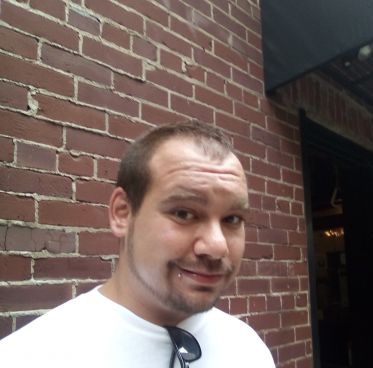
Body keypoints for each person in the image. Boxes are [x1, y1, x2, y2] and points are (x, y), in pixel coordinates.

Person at [0, 120, 275, 367]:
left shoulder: (248, 349)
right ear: (122, 213)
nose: (217, 247)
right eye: (184, 213)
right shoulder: (28, 356)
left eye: (232, 219)